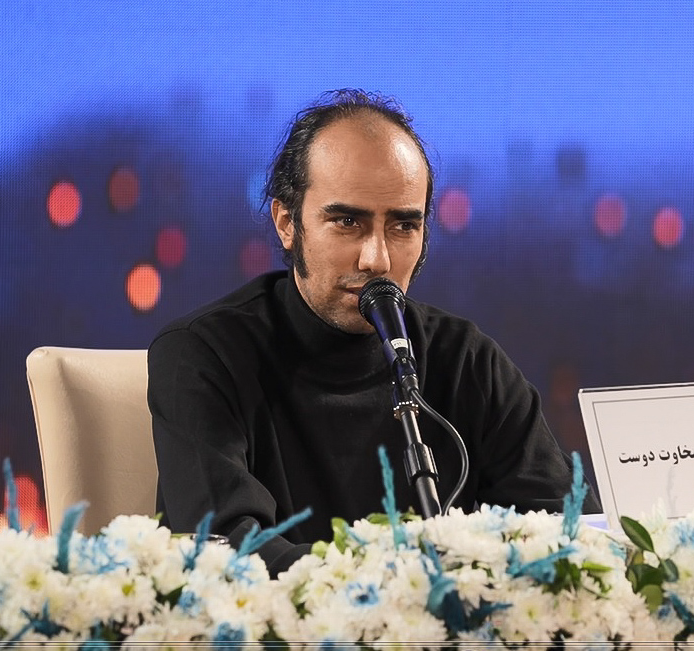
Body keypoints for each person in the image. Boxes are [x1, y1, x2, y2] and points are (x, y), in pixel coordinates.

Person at [148, 89, 601, 576]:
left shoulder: (467, 360)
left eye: (403, 226)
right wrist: (402, 583)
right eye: (348, 222)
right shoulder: (203, 355)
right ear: (286, 223)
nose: (377, 260)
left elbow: (571, 535)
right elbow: (227, 553)